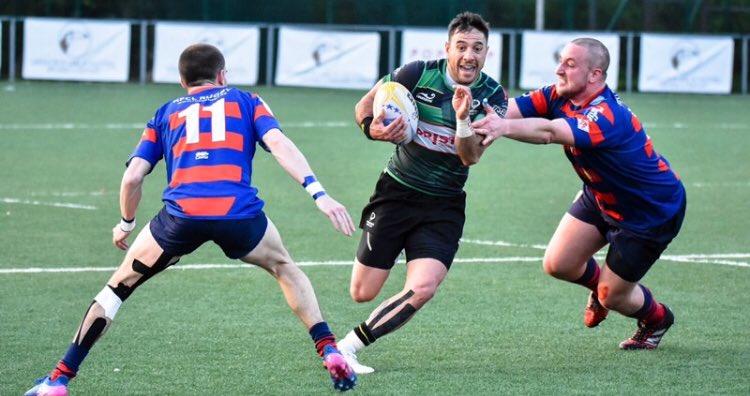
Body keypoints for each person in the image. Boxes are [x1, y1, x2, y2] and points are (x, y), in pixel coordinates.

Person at [25, 43, 357, 396]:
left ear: (182, 81)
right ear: (222, 75)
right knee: (284, 267)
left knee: (117, 289)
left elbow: (133, 177)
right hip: (238, 214)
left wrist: (125, 222)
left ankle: (59, 379)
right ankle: (329, 348)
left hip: (181, 216)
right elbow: (279, 143)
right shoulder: (248, 101)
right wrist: (319, 194)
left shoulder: (165, 112)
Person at [470, 37, 686, 350]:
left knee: (612, 295)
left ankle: (657, 319)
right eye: (560, 60)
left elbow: (549, 132)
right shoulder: (557, 94)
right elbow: (506, 108)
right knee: (558, 263)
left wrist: (500, 127)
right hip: (601, 195)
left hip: (650, 213)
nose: (559, 69)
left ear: (595, 75)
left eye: (570, 65)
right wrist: (469, 110)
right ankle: (601, 288)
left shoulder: (607, 116)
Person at [336, 12, 508, 374]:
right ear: (448, 48)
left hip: (443, 205)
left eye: (477, 48)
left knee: (424, 287)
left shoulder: (492, 96)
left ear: (487, 53)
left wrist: (462, 118)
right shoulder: (416, 74)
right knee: (362, 292)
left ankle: (347, 347)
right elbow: (363, 107)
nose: (469, 56)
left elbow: (470, 156)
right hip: (396, 192)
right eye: (461, 47)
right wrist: (373, 129)